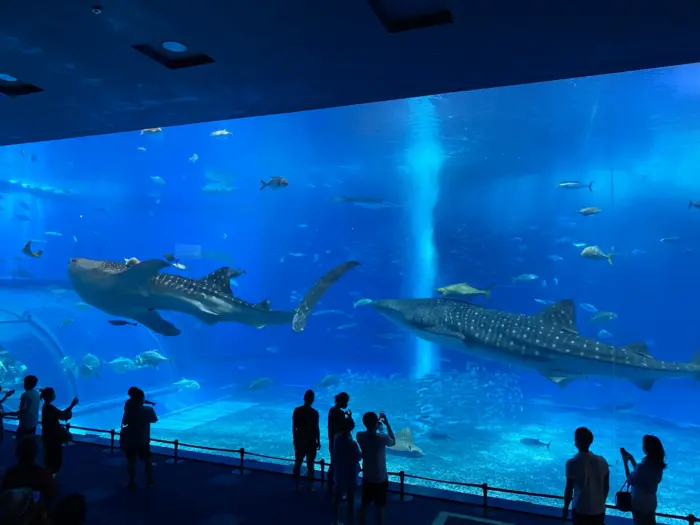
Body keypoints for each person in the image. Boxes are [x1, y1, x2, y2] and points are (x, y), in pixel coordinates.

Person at [562, 427, 610, 525]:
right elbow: (606, 487)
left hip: (581, 509)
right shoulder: (602, 461)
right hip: (599, 510)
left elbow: (569, 489)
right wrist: (600, 502)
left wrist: (565, 508)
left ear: (576, 441)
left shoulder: (572, 463)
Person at [356, 411, 395, 525]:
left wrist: (376, 425)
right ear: (376, 423)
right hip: (380, 479)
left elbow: (369, 434)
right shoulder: (382, 438)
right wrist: (386, 425)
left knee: (365, 504)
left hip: (367, 477)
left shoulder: (359, 436)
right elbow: (393, 442)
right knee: (380, 507)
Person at [621, 435, 666, 525]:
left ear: (647, 448)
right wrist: (632, 459)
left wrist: (625, 462)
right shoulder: (658, 466)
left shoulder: (642, 467)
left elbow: (631, 480)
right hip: (651, 502)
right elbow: (642, 476)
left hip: (639, 503)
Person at [1, 436, 57, 505]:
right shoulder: (44, 474)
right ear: (35, 453)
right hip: (35, 512)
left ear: (17, 452)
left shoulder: (10, 473)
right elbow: (51, 496)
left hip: (12, 512)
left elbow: (4, 495)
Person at [120, 387, 157, 488]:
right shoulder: (148, 410)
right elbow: (154, 420)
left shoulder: (128, 407)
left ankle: (131, 481)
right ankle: (150, 479)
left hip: (129, 440)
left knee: (131, 462)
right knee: (146, 460)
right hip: (143, 441)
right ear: (141, 398)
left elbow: (125, 423)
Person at [39, 387, 78, 477]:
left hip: (47, 435)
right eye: (54, 394)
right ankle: (51, 475)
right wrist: (72, 405)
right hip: (53, 436)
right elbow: (62, 415)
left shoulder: (46, 407)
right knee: (55, 455)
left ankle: (49, 473)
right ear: (51, 396)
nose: (55, 395)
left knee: (48, 454)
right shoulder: (50, 408)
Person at [331, 416, 361, 525]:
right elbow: (358, 457)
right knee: (351, 500)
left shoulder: (336, 438)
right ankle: (350, 522)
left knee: (338, 497)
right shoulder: (352, 444)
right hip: (351, 474)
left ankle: (334, 521)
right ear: (352, 428)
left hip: (339, 472)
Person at [292, 389, 320, 493]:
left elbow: (294, 427)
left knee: (298, 463)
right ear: (313, 400)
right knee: (310, 464)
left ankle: (296, 485)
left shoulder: (297, 410)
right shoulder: (314, 413)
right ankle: (309, 486)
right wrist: (318, 440)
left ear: (304, 398)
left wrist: (295, 439)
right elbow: (316, 428)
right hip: (311, 441)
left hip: (300, 440)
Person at [327, 392, 350, 490]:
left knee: (332, 463)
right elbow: (346, 427)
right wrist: (348, 417)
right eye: (345, 401)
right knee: (338, 464)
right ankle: (336, 486)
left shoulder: (331, 410)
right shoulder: (340, 413)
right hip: (339, 442)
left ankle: (329, 484)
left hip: (332, 440)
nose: (346, 403)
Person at [17, 376, 40, 442]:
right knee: (30, 441)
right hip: (34, 422)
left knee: (21, 441)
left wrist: (6, 414)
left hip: (25, 423)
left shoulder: (25, 395)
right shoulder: (36, 393)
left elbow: (22, 410)